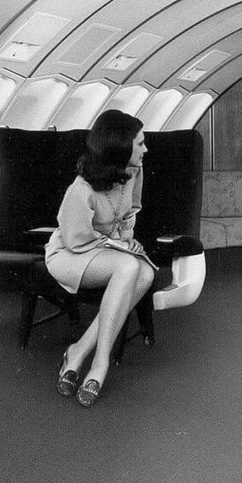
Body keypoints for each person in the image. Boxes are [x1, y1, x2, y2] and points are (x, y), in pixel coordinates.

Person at [45, 110, 156, 407]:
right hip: (70, 253)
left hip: (105, 250)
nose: (146, 149)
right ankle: (100, 364)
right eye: (140, 143)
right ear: (121, 147)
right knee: (130, 266)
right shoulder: (80, 190)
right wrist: (119, 248)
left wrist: (126, 239)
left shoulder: (133, 171)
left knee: (145, 274)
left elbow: (130, 210)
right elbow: (75, 239)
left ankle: (79, 350)